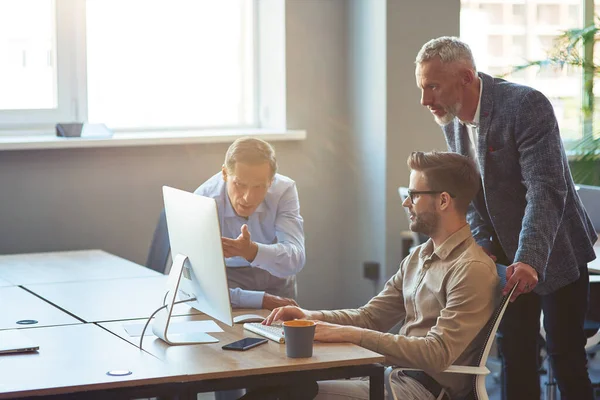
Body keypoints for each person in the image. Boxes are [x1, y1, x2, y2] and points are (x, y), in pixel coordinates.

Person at [415, 36, 598, 400]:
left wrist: (529, 258)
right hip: (503, 256)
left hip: (554, 248)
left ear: (466, 78)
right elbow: (473, 197)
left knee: (565, 359)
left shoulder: (525, 105)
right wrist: (484, 247)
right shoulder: (450, 119)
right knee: (514, 355)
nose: (425, 100)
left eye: (433, 86)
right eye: (422, 88)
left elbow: (545, 189)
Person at [262, 151, 500, 400]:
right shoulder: (418, 256)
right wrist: (310, 318)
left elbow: (437, 353)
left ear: (443, 201)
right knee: (275, 388)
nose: (405, 203)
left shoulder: (472, 269)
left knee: (290, 393)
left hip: (420, 390)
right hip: (389, 376)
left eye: (413, 195)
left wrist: (346, 333)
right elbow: (370, 317)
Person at [194, 137, 305, 311]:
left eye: (259, 187)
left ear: (271, 180)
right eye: (240, 184)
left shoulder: (284, 190)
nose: (248, 197)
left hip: (276, 274)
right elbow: (196, 286)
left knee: (283, 337)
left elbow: (295, 259)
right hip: (227, 280)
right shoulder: (204, 200)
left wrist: (252, 252)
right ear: (224, 174)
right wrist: (258, 300)